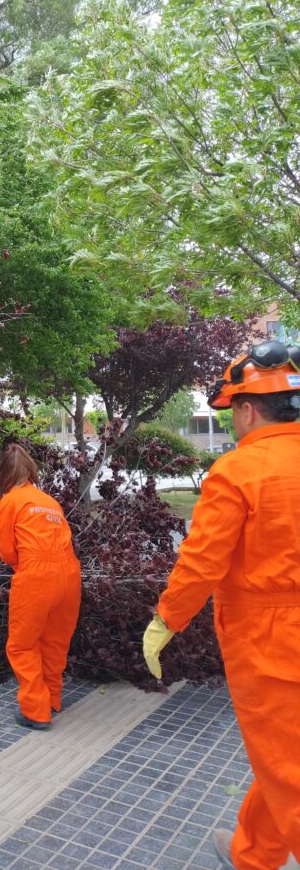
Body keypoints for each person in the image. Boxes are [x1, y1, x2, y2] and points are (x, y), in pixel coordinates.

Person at [142, 340, 300, 870]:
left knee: (287, 767)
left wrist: (167, 619)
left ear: (247, 409)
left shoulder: (239, 471)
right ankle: (254, 853)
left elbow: (202, 562)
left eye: (233, 412)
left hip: (272, 640)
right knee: (281, 755)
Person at [0, 443, 82, 730]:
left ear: (5, 475)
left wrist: (27, 565)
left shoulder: (11, 500)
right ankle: (53, 699)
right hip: (69, 575)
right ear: (31, 471)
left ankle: (35, 710)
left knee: (22, 645)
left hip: (37, 576)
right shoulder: (50, 502)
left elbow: (7, 551)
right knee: (55, 641)